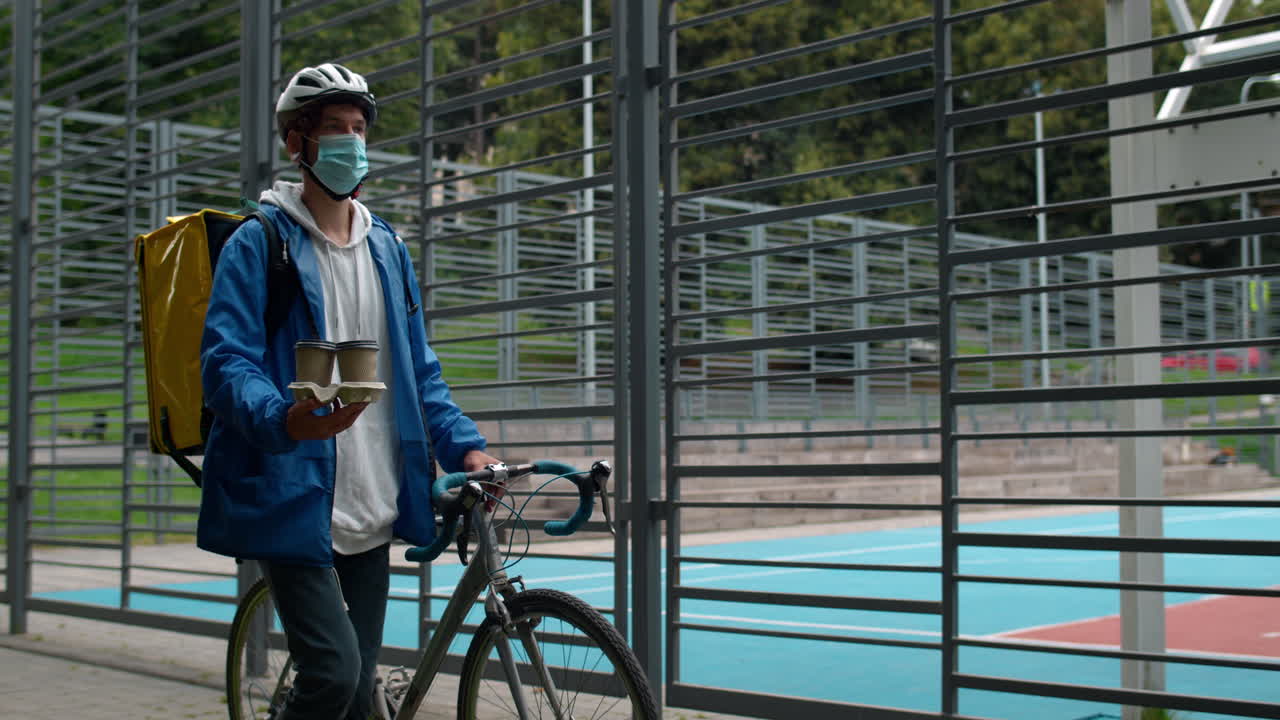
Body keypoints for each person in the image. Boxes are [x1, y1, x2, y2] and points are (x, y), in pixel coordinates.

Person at [198, 62, 500, 720]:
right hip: (293, 494)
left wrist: (466, 447)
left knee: (358, 695)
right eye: (334, 127)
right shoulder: (259, 243)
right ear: (296, 142)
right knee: (333, 677)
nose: (351, 142)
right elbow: (226, 361)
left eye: (359, 128)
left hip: (373, 498)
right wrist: (284, 418)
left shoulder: (387, 247)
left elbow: (418, 370)